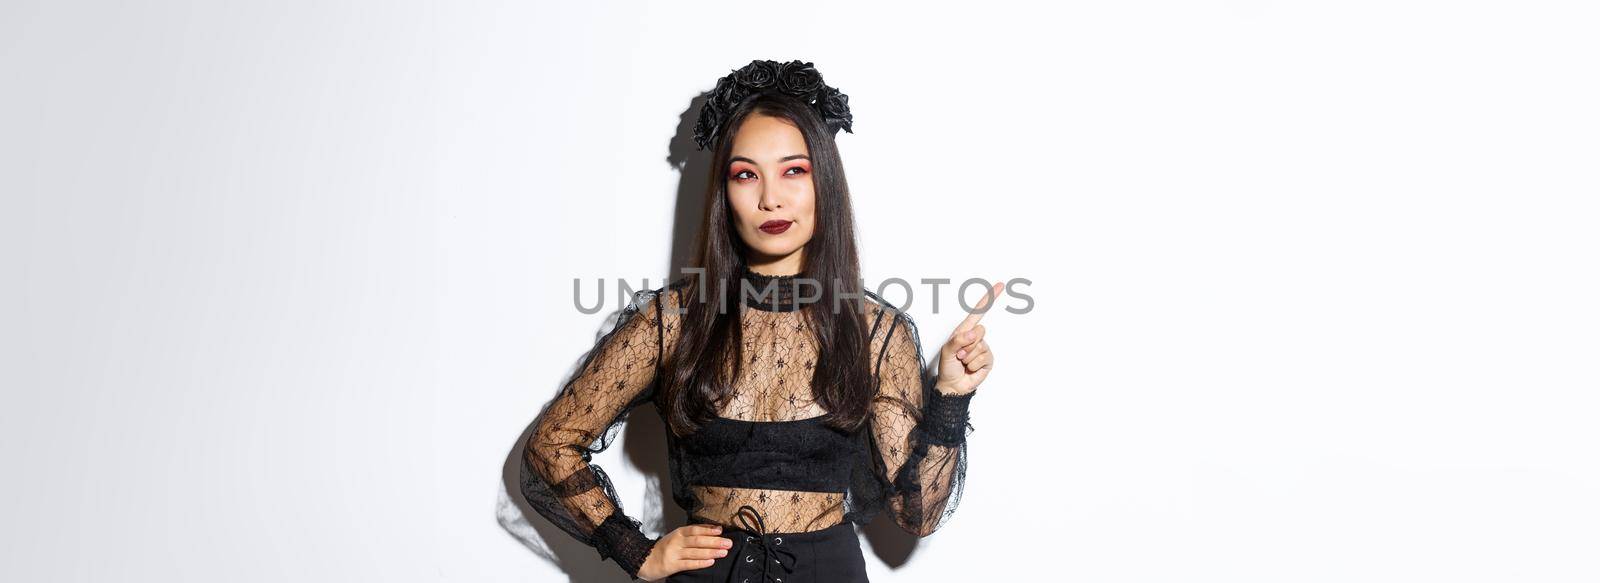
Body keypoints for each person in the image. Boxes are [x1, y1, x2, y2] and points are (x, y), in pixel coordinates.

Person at [519, 59, 1000, 582]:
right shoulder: (671, 321)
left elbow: (918, 514)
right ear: (724, 195)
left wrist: (952, 397)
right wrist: (633, 549)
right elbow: (552, 444)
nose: (770, 197)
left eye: (794, 170)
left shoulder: (874, 332)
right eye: (746, 174)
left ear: (825, 184)